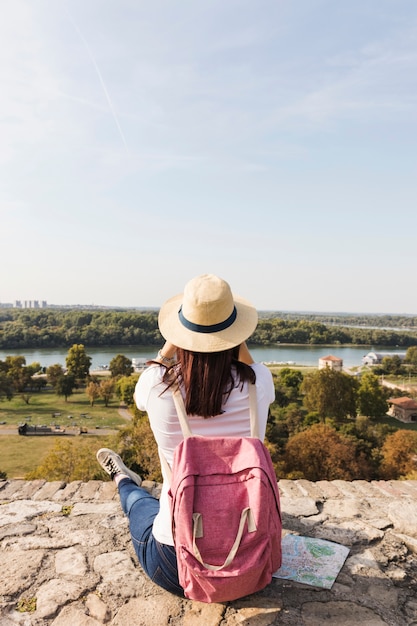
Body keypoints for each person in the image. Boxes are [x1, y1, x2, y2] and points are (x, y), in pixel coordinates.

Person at [96, 273, 275, 597]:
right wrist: (233, 338)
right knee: (149, 504)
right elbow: (251, 366)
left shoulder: (156, 386)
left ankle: (123, 480)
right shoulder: (259, 383)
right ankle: (127, 483)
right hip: (250, 563)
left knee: (141, 503)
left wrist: (171, 346)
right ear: (235, 335)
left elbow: (142, 393)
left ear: (181, 334)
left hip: (175, 564)